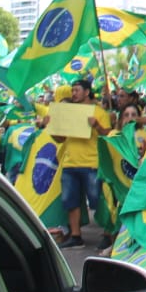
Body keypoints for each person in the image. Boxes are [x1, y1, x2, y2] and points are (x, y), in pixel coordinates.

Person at [53, 79, 111, 250]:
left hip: (92, 163)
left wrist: (97, 126)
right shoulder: (69, 112)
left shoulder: (99, 112)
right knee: (70, 202)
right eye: (72, 90)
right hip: (70, 164)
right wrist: (52, 127)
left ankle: (108, 234)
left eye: (77, 90)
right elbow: (60, 138)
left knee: (98, 201)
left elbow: (109, 135)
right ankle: (76, 236)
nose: (74, 93)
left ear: (87, 92)